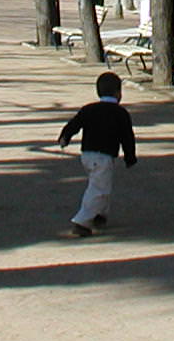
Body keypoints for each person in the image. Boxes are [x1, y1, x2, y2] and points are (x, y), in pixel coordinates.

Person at [57, 70, 138, 238]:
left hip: (87, 155)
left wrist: (65, 137)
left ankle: (100, 214)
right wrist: (130, 157)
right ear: (118, 93)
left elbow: (74, 124)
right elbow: (127, 137)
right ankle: (82, 222)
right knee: (99, 189)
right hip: (103, 156)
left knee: (100, 184)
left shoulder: (89, 109)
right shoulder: (120, 113)